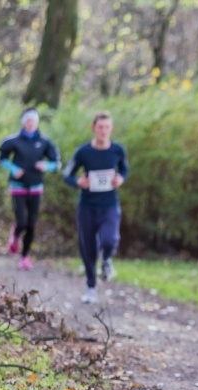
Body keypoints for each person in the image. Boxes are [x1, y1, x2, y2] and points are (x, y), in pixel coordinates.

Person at [63, 111, 129, 304]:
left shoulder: (117, 150)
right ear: (93, 128)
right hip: (87, 206)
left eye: (107, 127)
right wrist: (77, 182)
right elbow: (67, 174)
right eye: (100, 127)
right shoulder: (83, 152)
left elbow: (124, 168)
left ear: (111, 129)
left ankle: (107, 261)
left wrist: (121, 178)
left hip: (109, 204)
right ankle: (91, 286)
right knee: (88, 248)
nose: (103, 131)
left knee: (110, 239)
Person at [0, 107, 61, 270]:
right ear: (23, 122)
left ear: (37, 122)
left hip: (36, 186)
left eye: (33, 121)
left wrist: (46, 165)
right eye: (28, 120)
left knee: (31, 224)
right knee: (22, 221)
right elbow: (1, 158)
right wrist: (13, 169)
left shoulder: (45, 142)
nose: (31, 123)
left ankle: (24, 257)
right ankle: (16, 234)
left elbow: (56, 164)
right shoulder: (13, 141)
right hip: (18, 186)